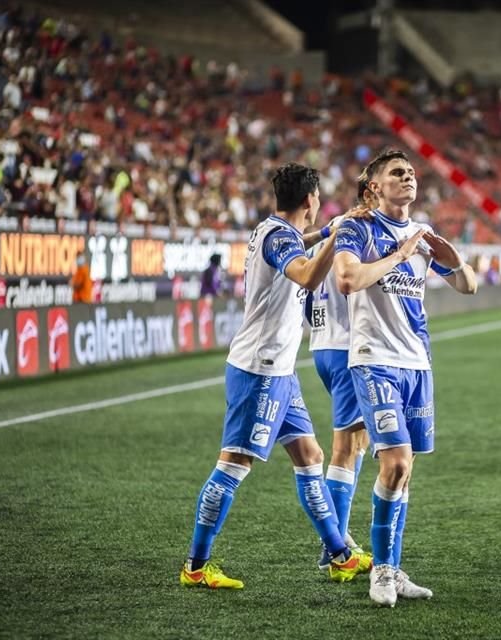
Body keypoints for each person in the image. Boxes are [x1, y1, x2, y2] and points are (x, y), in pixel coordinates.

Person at [179, 163, 371, 589]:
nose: (320, 203)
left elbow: (295, 246)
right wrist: (337, 235)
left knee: (310, 456)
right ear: (309, 199)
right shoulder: (280, 236)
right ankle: (196, 565)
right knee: (234, 464)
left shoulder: (271, 230)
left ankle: (339, 555)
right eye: (319, 197)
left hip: (282, 372)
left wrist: (326, 232)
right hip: (260, 369)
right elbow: (304, 272)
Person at [333, 149, 478, 606]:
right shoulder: (357, 228)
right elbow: (348, 280)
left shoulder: (423, 233)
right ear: (375, 186)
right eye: (397, 172)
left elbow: (468, 285)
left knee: (406, 472)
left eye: (411, 172)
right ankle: (380, 570)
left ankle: (393, 569)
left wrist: (455, 261)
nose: (408, 177)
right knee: (393, 464)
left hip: (417, 363)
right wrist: (399, 254)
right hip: (374, 358)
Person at [307, 174, 375, 571]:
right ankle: (333, 548)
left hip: (323, 344)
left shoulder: (336, 227)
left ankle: (337, 535)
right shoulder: (359, 231)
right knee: (346, 447)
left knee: (358, 441)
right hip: (346, 346)